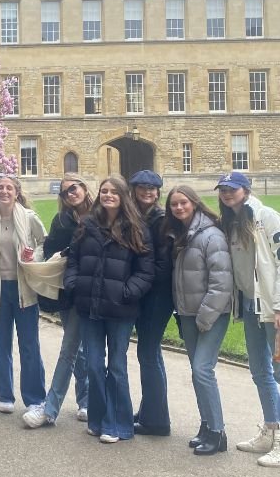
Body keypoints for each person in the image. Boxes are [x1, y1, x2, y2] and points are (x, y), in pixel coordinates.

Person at [218, 172, 280, 467]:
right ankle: (271, 430)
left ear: (246, 190)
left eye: (232, 188)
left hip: (275, 308)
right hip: (250, 305)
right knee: (259, 370)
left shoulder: (267, 217)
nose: (227, 193)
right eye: (223, 189)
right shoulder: (232, 222)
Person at [63, 173, 154, 444]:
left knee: (116, 366)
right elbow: (73, 260)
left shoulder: (136, 227)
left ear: (123, 196)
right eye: (104, 191)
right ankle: (98, 419)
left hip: (120, 308)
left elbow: (145, 271)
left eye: (114, 192)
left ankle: (118, 424)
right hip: (89, 305)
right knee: (93, 365)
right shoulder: (87, 224)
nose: (108, 195)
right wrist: (74, 284)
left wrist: (126, 292)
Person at [164, 185, 233, 455]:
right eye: (174, 204)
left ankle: (217, 433)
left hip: (211, 314)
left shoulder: (211, 235)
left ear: (194, 203)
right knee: (197, 372)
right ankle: (206, 425)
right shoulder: (182, 233)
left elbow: (221, 283)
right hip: (188, 314)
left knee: (202, 370)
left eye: (183, 202)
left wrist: (205, 317)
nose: (179, 208)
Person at [23, 173, 91, 428]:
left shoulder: (102, 215)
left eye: (73, 188)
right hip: (69, 289)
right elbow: (51, 250)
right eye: (64, 192)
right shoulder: (61, 220)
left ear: (84, 187)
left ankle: (55, 408)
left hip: (95, 291)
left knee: (76, 349)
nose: (70, 194)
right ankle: (82, 401)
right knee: (75, 349)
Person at [0, 174, 47, 414]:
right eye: (0, 187)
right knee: (1, 344)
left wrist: (34, 256)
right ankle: (5, 395)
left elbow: (44, 242)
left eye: (9, 188)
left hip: (24, 287)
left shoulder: (28, 217)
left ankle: (35, 397)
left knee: (29, 345)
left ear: (17, 192)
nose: (4, 191)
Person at [128, 170, 174, 438]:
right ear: (134, 190)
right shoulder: (138, 216)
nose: (147, 192)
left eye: (152, 188)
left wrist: (139, 285)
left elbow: (162, 266)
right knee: (151, 353)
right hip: (146, 293)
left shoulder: (160, 219)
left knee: (147, 353)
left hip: (157, 295)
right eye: (142, 188)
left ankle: (156, 422)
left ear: (158, 192)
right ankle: (151, 411)